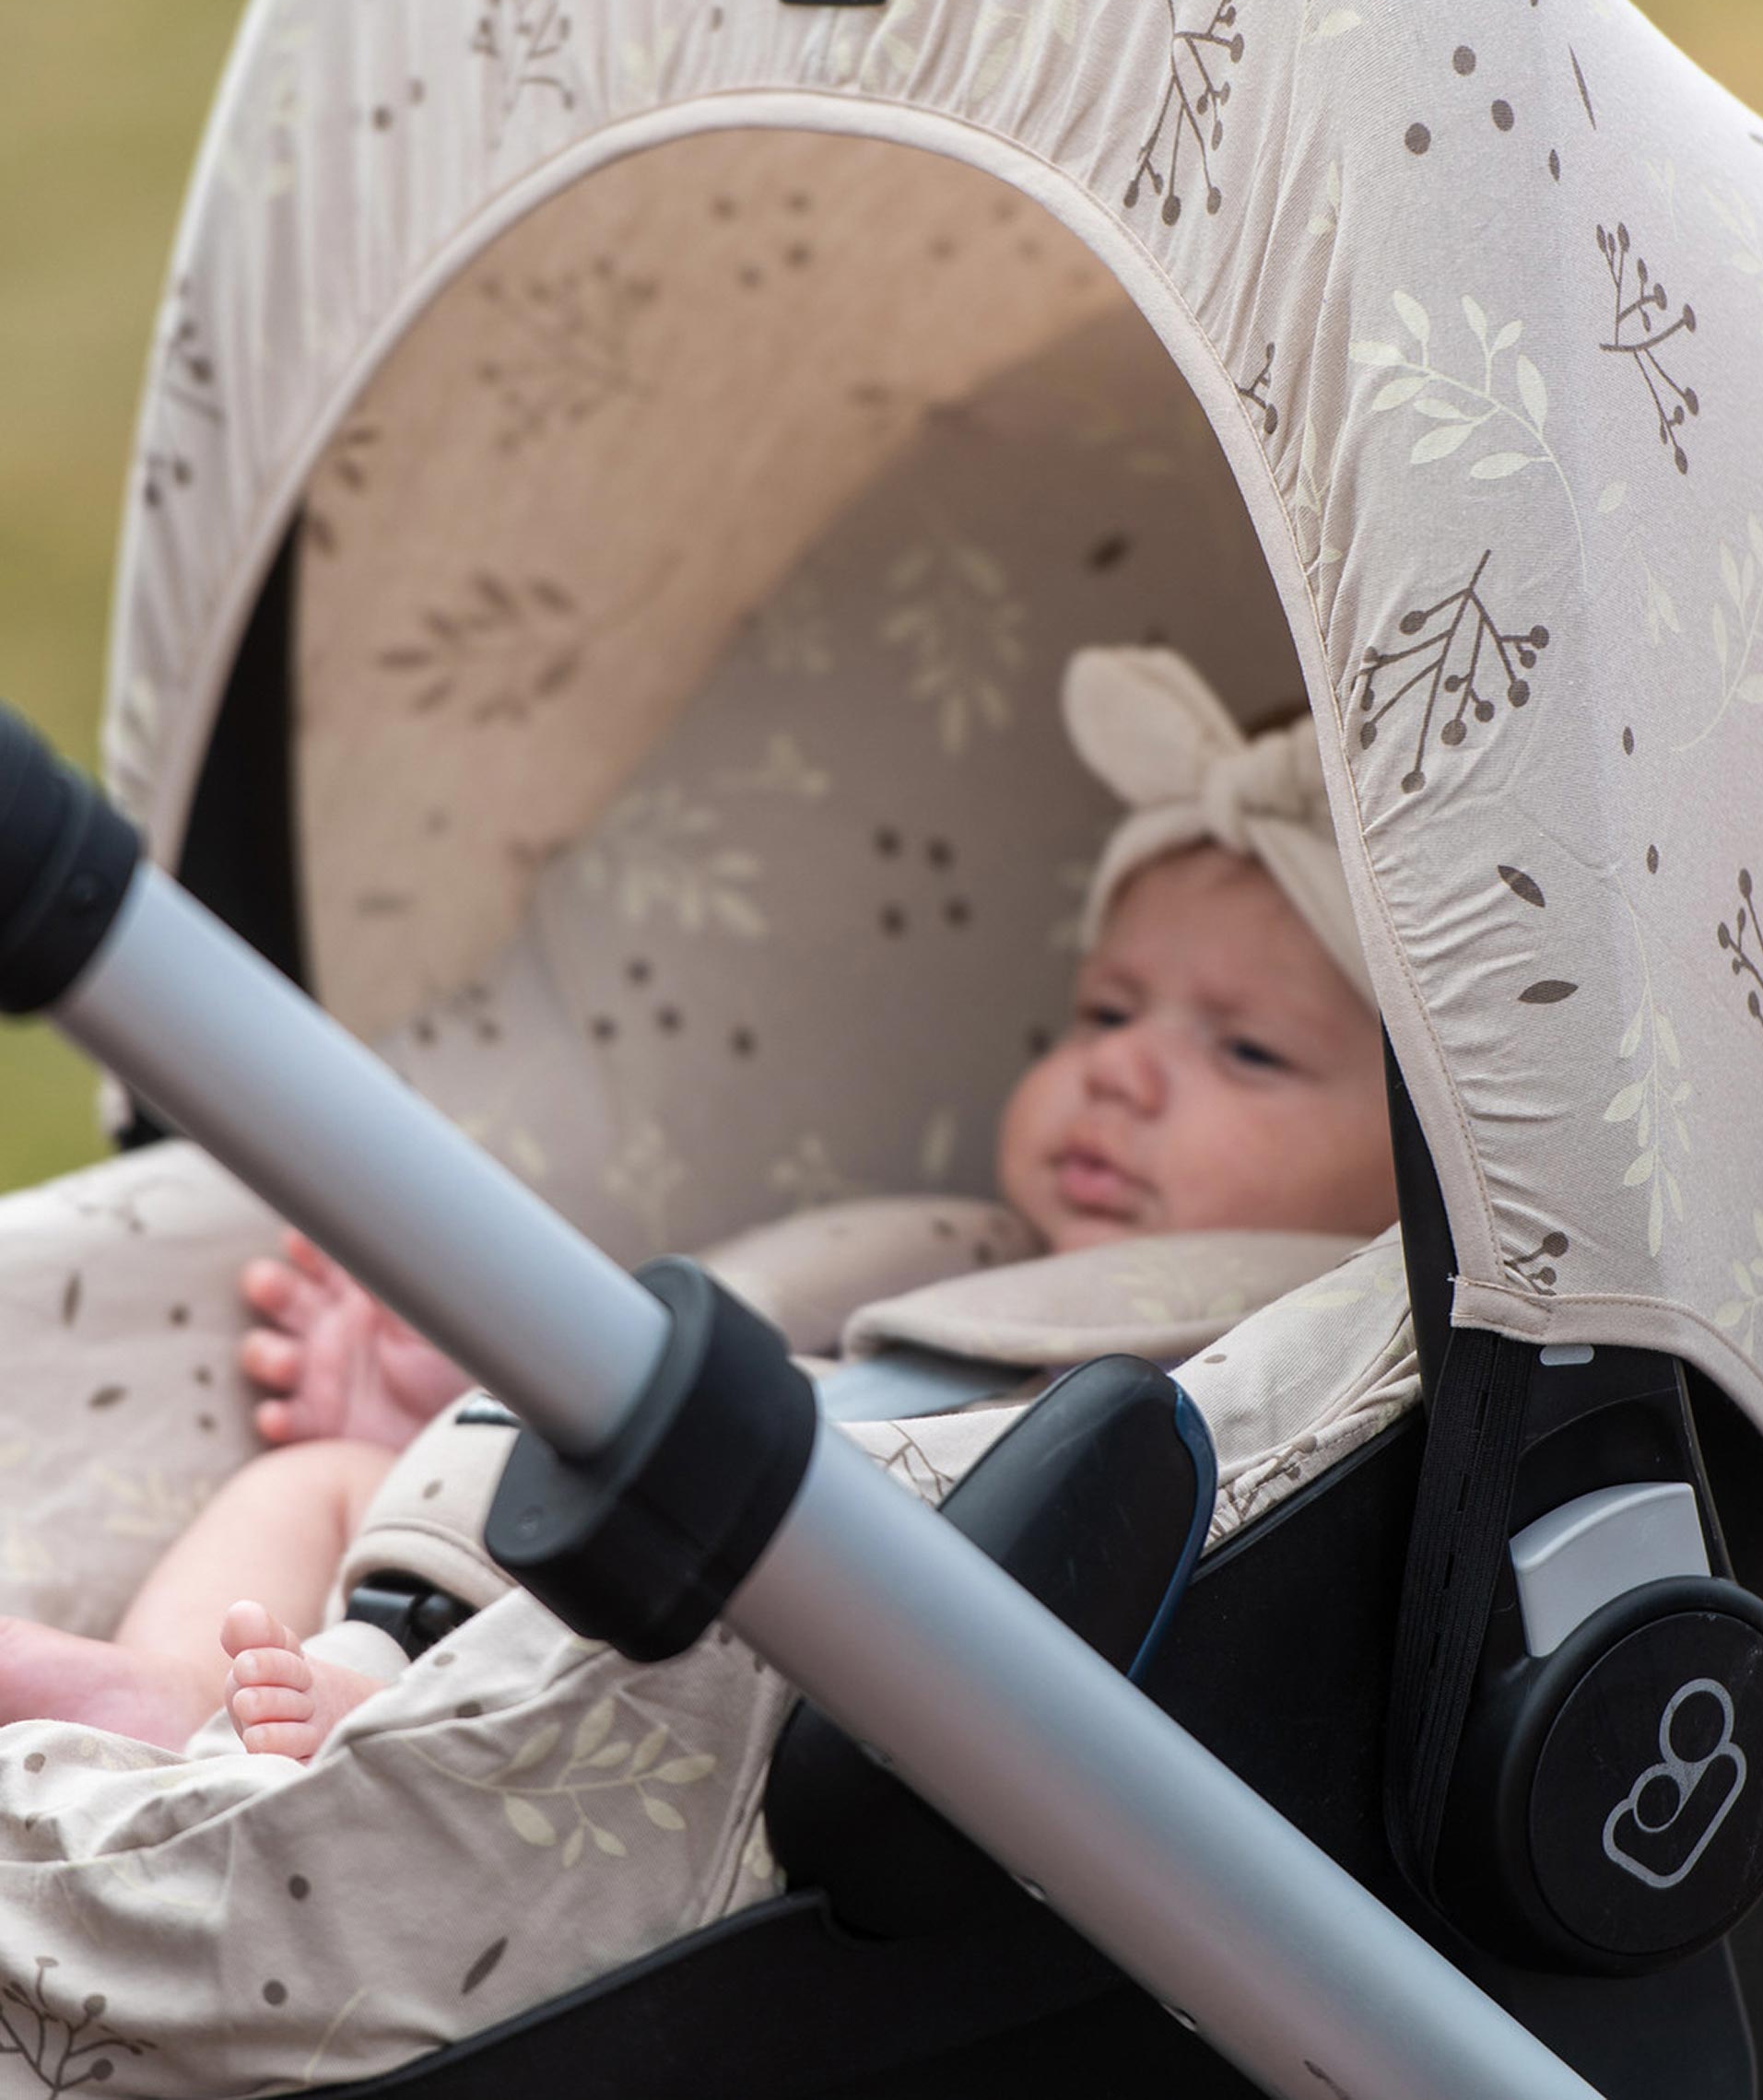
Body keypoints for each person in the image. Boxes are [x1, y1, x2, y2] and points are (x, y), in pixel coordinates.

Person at [0, 647, 1396, 1762]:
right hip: (642, 1523)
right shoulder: (963, 1261)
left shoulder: (1276, 1388)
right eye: (1106, 1009)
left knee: (541, 1683)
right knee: (307, 1488)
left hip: (754, 1657)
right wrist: (446, 1427)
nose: (1120, 1073)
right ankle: (168, 1695)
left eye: (1246, 1050)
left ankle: (360, 1727)